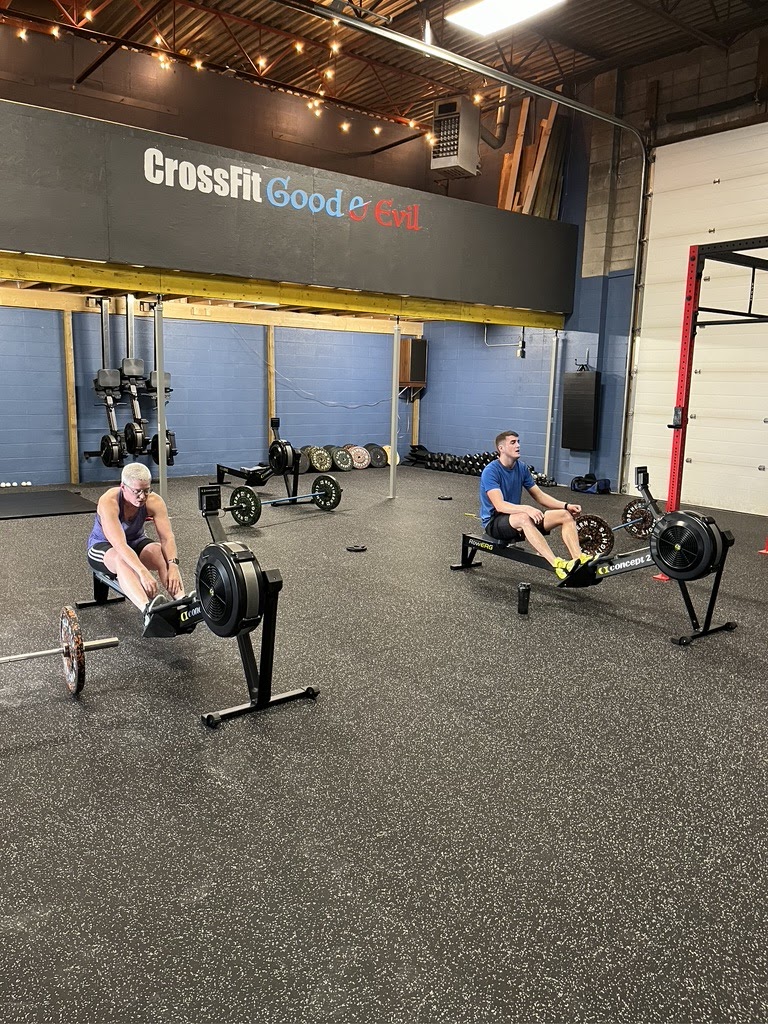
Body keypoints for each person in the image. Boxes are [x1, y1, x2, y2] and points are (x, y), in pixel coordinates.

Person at [87, 462, 184, 632]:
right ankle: (148, 611)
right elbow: (119, 545)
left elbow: (167, 537)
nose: (142, 496)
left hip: (135, 541)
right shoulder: (108, 501)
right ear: (123, 487)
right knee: (121, 560)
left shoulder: (154, 501)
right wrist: (142, 572)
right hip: (103, 547)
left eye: (146, 490)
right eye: (137, 491)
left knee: (160, 553)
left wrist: (173, 565)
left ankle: (183, 605)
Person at [479, 430, 590, 580]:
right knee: (524, 517)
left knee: (565, 515)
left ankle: (579, 559)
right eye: (513, 442)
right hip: (494, 522)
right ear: (501, 448)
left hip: (514, 518)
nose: (518, 445)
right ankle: (556, 564)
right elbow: (499, 505)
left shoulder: (521, 468)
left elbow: (539, 496)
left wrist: (565, 505)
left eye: (518, 442)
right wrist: (527, 508)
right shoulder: (491, 471)